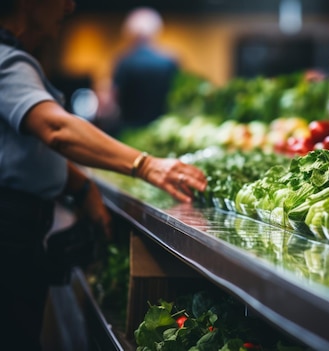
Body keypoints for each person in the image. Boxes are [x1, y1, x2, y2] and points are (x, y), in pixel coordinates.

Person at [0, 1, 207, 349]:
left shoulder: (120, 62)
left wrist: (81, 187)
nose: (69, 5)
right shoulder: (7, 59)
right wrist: (147, 164)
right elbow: (55, 128)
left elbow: (18, 147)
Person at [101, 6, 180, 136]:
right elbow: (176, 99)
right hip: (161, 131)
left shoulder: (124, 61)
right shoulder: (169, 61)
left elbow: (111, 101)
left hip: (129, 131)